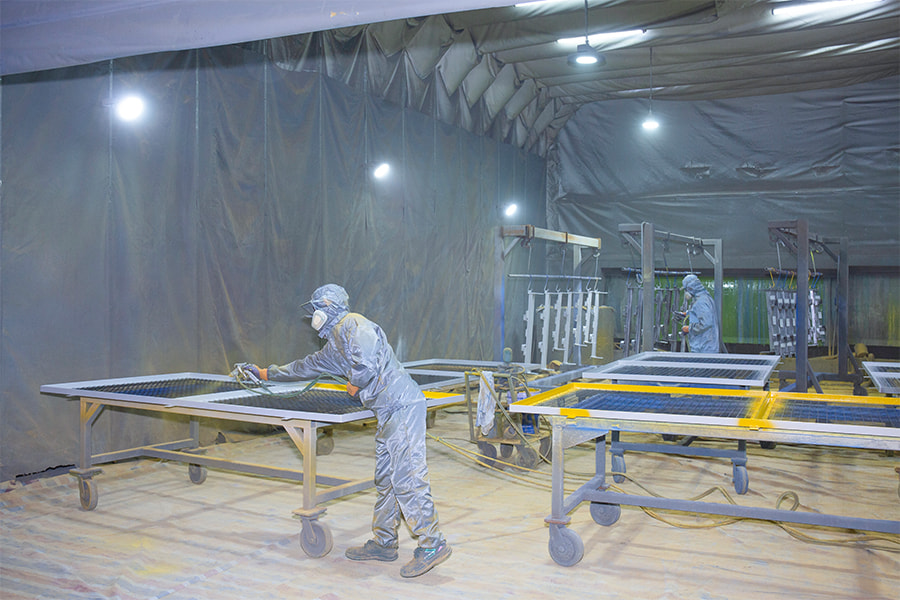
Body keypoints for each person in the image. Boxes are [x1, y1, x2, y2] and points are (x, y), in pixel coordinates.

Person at [238, 283, 451, 578]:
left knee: (407, 477)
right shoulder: (332, 347)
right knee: (386, 481)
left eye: (317, 308)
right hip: (387, 411)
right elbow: (303, 367)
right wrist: (264, 373)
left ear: (329, 306)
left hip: (401, 405)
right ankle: (384, 543)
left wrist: (356, 383)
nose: (314, 315)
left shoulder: (353, 324)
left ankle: (432, 544)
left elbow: (368, 360)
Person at [680, 274, 720, 353]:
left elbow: (706, 323)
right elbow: (699, 313)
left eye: (686, 289)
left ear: (691, 288)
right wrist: (687, 314)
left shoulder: (701, 302)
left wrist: (688, 329)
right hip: (705, 346)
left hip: (704, 347)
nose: (686, 292)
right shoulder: (703, 297)